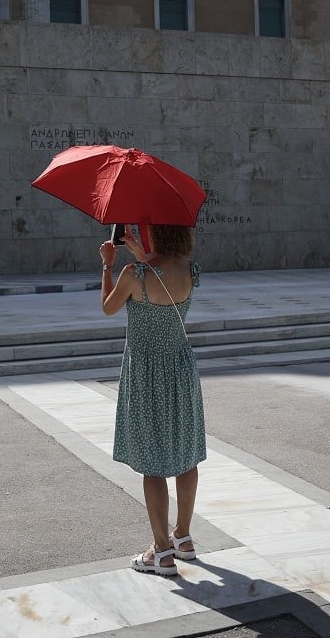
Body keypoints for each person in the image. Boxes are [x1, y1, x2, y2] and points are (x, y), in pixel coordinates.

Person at [99, 223, 204, 577]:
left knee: (152, 461)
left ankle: (161, 552)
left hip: (146, 372)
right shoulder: (190, 269)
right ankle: (184, 537)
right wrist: (144, 259)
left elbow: (107, 308)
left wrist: (108, 264)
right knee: (186, 454)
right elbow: (165, 279)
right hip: (180, 367)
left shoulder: (133, 274)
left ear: (153, 234)